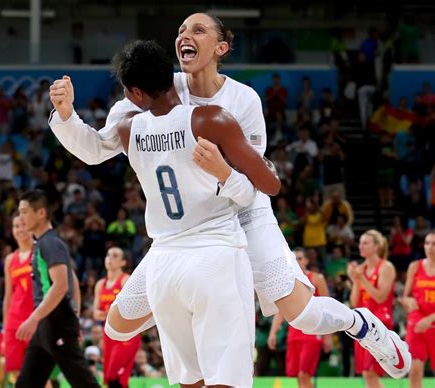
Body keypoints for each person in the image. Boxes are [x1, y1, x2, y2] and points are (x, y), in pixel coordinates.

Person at [49, 13, 411, 380]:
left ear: (221, 47)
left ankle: (361, 324)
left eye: (198, 30)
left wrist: (223, 171)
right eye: (180, 30)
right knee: (120, 325)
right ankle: (191, 313)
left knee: (302, 315)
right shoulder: (155, 87)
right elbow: (97, 149)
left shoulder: (243, 99)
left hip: (244, 213)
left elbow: (257, 180)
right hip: (187, 236)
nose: (185, 35)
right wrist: (66, 116)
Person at [105, 40, 280, 387]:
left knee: (190, 382)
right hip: (214, 256)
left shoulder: (128, 130)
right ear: (172, 77)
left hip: (163, 266)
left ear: (134, 93)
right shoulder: (209, 118)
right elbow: (269, 185)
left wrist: (64, 116)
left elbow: (89, 144)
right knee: (226, 381)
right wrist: (225, 172)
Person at [15, 190, 100, 388]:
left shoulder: (50, 243)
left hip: (57, 321)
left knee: (83, 382)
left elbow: (61, 285)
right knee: (26, 383)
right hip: (46, 324)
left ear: (41, 213)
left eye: (24, 212)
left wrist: (34, 318)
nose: (20, 217)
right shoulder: (41, 244)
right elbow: (72, 281)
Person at [267, 248, 332, 388]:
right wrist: (273, 332)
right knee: (297, 376)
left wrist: (328, 336)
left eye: (300, 258)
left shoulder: (317, 278)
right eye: (294, 258)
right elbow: (281, 311)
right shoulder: (287, 281)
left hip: (313, 334)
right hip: (294, 335)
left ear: (307, 261)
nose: (297, 261)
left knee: (304, 375)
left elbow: (327, 307)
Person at [348, 230, 396, 388]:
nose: (360, 246)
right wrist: (355, 280)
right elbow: (355, 302)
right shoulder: (361, 269)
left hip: (380, 324)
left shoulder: (386, 267)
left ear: (376, 247)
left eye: (365, 243)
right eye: (360, 242)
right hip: (362, 325)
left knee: (371, 373)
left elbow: (380, 297)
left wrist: (361, 278)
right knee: (366, 374)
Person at [93, 247, 141, 388]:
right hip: (108, 334)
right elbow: (96, 312)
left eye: (115, 256)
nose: (110, 258)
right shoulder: (100, 284)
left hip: (126, 335)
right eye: (108, 255)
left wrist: (106, 314)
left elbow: (130, 310)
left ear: (123, 262)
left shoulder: (126, 280)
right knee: (111, 379)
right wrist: (107, 314)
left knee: (114, 375)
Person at [400, 231, 435, 388]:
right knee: (414, 370)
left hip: (430, 322)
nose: (430, 247)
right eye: (427, 243)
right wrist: (408, 301)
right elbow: (404, 297)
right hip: (417, 323)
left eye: (434, 244)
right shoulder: (415, 266)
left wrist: (430, 319)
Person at [2, 212, 34, 382]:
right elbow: (8, 296)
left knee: (38, 373)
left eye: (23, 225)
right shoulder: (10, 260)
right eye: (16, 226)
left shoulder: (40, 253)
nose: (20, 229)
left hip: (34, 320)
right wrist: (5, 325)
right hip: (14, 322)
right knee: (16, 372)